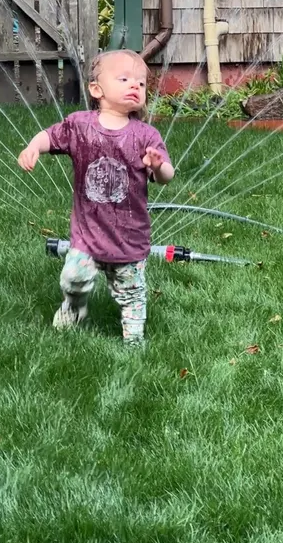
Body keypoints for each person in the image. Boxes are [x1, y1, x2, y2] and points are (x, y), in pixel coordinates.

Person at [18, 49, 175, 343]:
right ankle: (75, 307)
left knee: (131, 293)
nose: (135, 85)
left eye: (141, 83)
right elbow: (49, 136)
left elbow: (167, 175)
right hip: (87, 236)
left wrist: (157, 166)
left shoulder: (146, 135)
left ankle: (134, 340)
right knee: (73, 278)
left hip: (129, 238)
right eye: (124, 79)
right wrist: (33, 147)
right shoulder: (80, 126)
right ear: (96, 89)